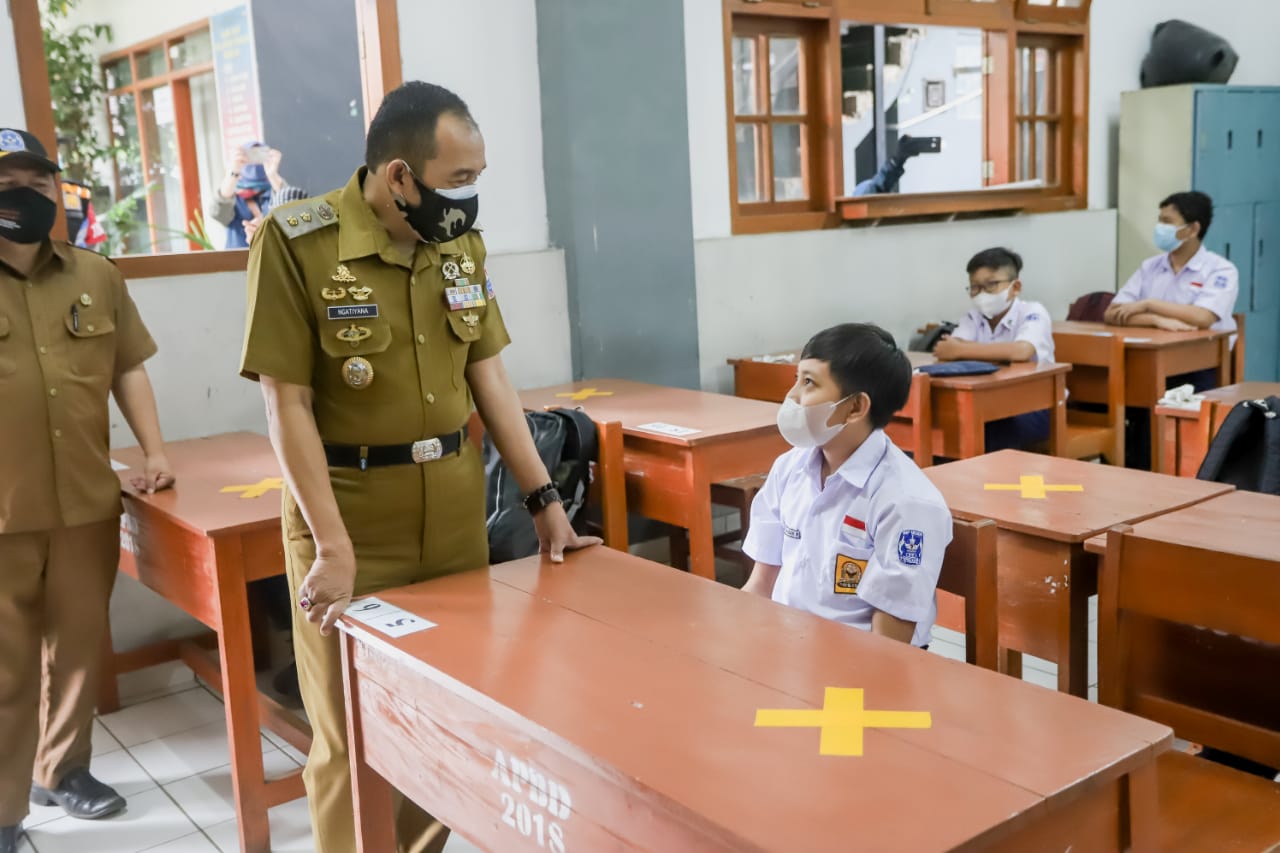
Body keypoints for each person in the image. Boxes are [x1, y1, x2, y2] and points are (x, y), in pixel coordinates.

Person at [239, 82, 600, 853]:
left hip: (453, 516)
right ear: (400, 174)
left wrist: (545, 501)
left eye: (478, 178)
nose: (470, 199)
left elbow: (491, 379)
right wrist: (332, 547)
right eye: (458, 180)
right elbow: (287, 406)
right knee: (350, 736)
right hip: (350, 517)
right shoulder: (296, 241)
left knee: (444, 722)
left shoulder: (456, 245)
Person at [0, 128, 173, 853]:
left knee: (75, 649)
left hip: (83, 505)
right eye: (8, 184)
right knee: (4, 668)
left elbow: (126, 367)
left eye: (38, 186)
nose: (24, 197)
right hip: (3, 514)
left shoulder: (97, 276)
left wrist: (155, 450)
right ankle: (5, 812)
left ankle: (62, 770)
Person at [741, 323, 952, 648]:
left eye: (809, 383)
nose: (792, 396)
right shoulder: (789, 467)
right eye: (795, 379)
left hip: (857, 665)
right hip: (788, 645)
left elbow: (888, 647)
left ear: (856, 407)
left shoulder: (906, 502)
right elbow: (760, 585)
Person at [1104, 191, 1238, 466]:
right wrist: (1154, 319)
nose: (1160, 227)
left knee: (1163, 404)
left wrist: (1148, 304)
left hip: (1198, 365)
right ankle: (1132, 468)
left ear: (1192, 229)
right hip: (1148, 360)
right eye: (1159, 220)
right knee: (1115, 399)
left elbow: (1203, 317)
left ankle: (1168, 468)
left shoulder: (1219, 270)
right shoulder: (1150, 267)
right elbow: (1114, 312)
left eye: (1167, 221)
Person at [934, 247, 1056, 451]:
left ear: (1015, 287)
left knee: (991, 431)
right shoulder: (973, 317)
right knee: (948, 425)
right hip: (987, 404)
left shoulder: (1032, 312)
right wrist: (996, 352)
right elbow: (948, 351)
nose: (981, 294)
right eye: (975, 287)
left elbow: (1021, 352)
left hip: (1036, 406)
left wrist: (963, 350)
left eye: (991, 285)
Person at [210, 143, 306, 249]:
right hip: (238, 262)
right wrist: (233, 172)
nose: (254, 163)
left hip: (273, 259)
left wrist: (272, 174)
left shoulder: (275, 194)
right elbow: (218, 211)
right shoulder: (234, 198)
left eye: (259, 155)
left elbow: (294, 213)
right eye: (250, 155)